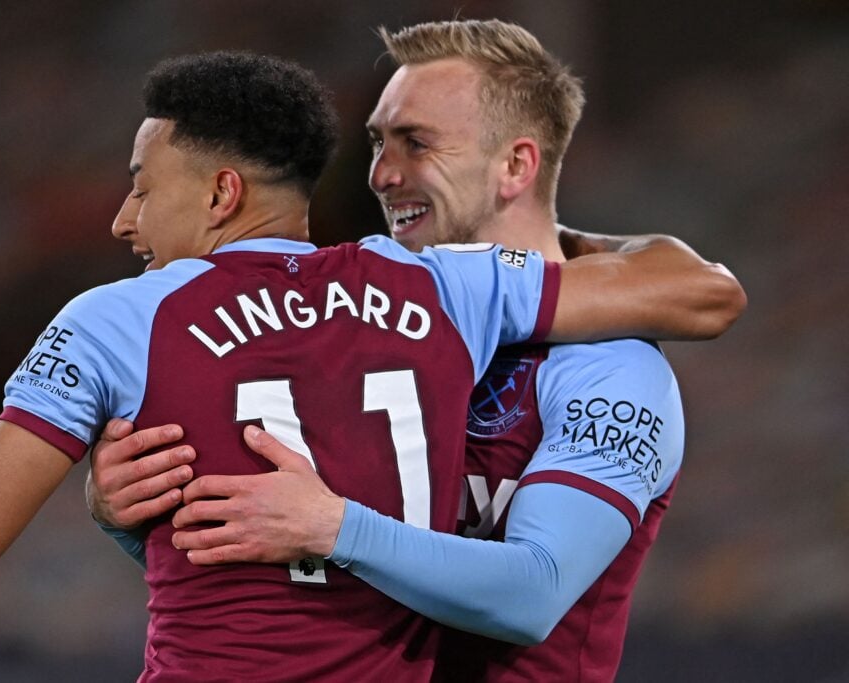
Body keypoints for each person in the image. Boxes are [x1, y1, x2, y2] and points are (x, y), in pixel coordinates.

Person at [0, 51, 736, 683]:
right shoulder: (447, 287)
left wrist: (326, 523)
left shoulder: (114, 320)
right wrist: (126, 519)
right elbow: (696, 292)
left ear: (221, 193)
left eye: (142, 186)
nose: (122, 219)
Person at [86, 20, 747, 683]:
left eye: (416, 143)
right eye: (378, 142)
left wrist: (338, 526)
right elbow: (282, 575)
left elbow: (534, 593)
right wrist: (130, 514)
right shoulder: (343, 329)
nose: (381, 174)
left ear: (516, 166)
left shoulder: (608, 368)